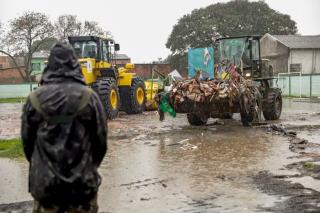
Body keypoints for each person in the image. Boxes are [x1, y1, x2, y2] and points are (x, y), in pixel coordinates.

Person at [21, 43, 107, 213]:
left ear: (49, 65)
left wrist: (42, 166)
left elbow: (27, 144)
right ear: (75, 64)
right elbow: (100, 143)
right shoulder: (90, 98)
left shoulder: (34, 98)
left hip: (46, 188)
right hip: (82, 187)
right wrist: (88, 166)